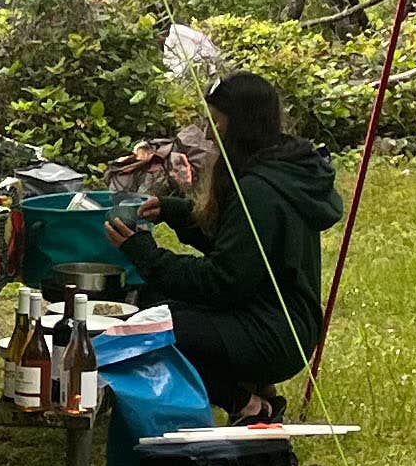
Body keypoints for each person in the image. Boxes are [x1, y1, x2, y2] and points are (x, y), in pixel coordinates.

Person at [108, 70, 340, 419]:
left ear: (241, 125)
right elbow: (239, 245)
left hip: (276, 333)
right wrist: (177, 212)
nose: (208, 134)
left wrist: (147, 255)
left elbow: (223, 280)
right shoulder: (279, 168)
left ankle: (247, 404)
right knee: (157, 304)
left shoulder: (259, 191)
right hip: (282, 320)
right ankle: (259, 390)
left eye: (216, 122)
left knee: (155, 329)